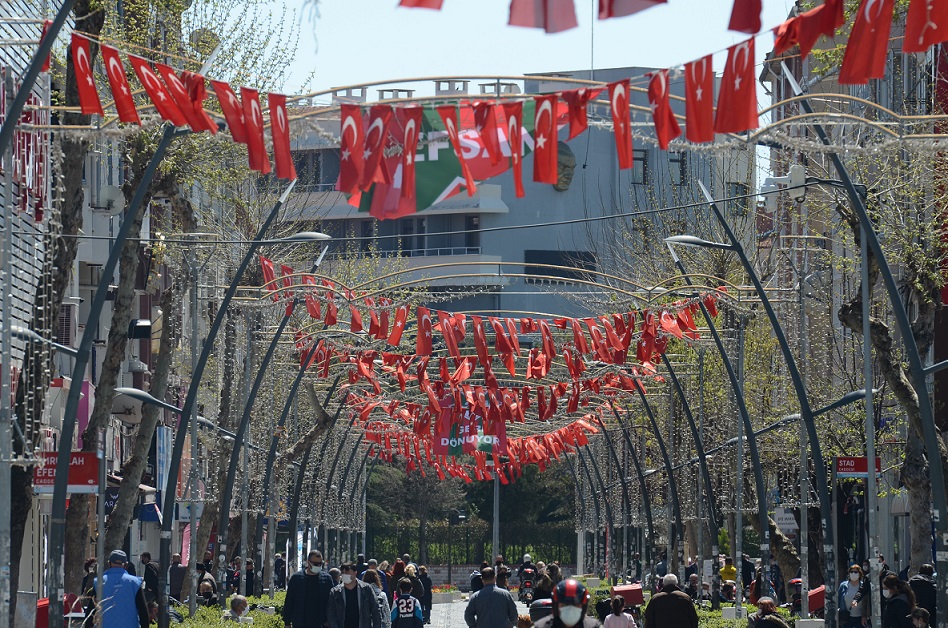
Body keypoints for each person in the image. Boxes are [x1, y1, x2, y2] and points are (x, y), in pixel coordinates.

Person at [92, 549, 150, 628]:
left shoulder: (99, 583)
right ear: (126, 565)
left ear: (109, 563)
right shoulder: (134, 583)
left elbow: (91, 611)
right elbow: (143, 612)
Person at [283, 549, 335, 628]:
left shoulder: (327, 579)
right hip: (300, 622)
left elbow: (332, 601)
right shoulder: (296, 578)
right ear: (308, 562)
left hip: (321, 623)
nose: (318, 566)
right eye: (315, 564)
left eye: (320, 563)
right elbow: (289, 601)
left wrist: (330, 621)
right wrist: (287, 622)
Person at [327, 562, 382, 628]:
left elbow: (375, 610)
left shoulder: (366, 589)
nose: (344, 574)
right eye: (343, 572)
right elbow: (331, 613)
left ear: (355, 573)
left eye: (347, 571)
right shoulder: (335, 592)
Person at [533, 578, 601, 628]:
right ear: (556, 606)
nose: (570, 609)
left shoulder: (594, 626)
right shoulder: (541, 626)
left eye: (576, 605)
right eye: (564, 605)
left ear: (583, 606)